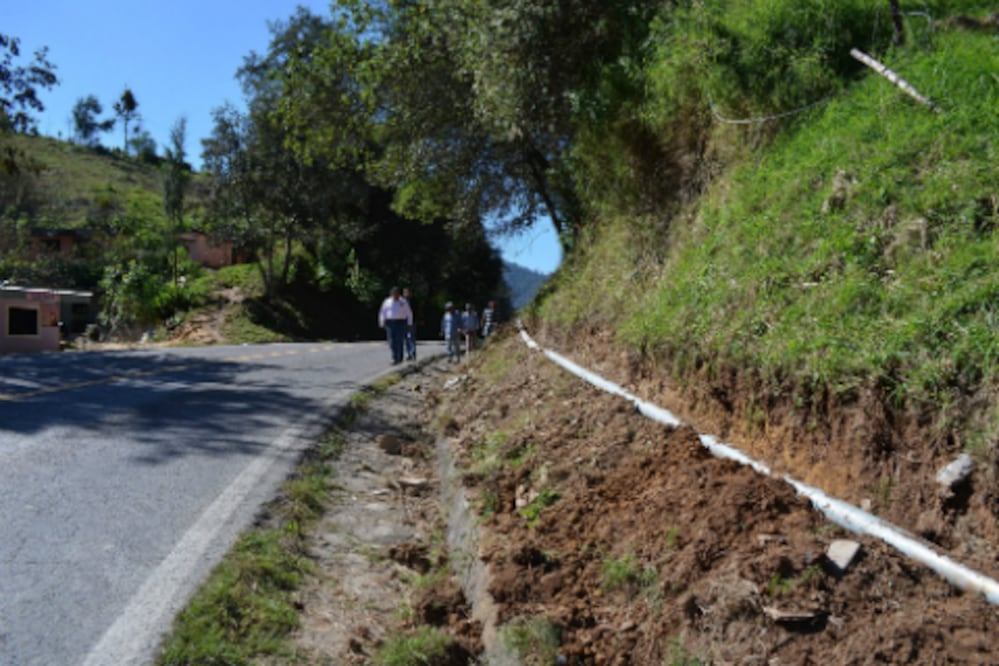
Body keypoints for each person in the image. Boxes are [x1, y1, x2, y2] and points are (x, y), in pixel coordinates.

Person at [378, 286, 413, 364]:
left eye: (396, 294)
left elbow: (409, 313)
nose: (395, 295)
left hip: (401, 322)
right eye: (393, 294)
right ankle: (394, 357)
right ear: (391, 294)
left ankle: (399, 357)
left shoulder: (403, 302)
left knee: (399, 340)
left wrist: (409, 323)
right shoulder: (387, 302)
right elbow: (382, 312)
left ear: (399, 294)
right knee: (391, 340)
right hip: (390, 322)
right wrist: (382, 322)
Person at [403, 287, 417, 361]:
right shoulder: (401, 302)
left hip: (412, 322)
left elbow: (416, 312)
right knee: (406, 339)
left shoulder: (413, 302)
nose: (406, 294)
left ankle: (413, 353)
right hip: (403, 322)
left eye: (408, 292)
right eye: (405, 292)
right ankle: (408, 354)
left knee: (411, 338)